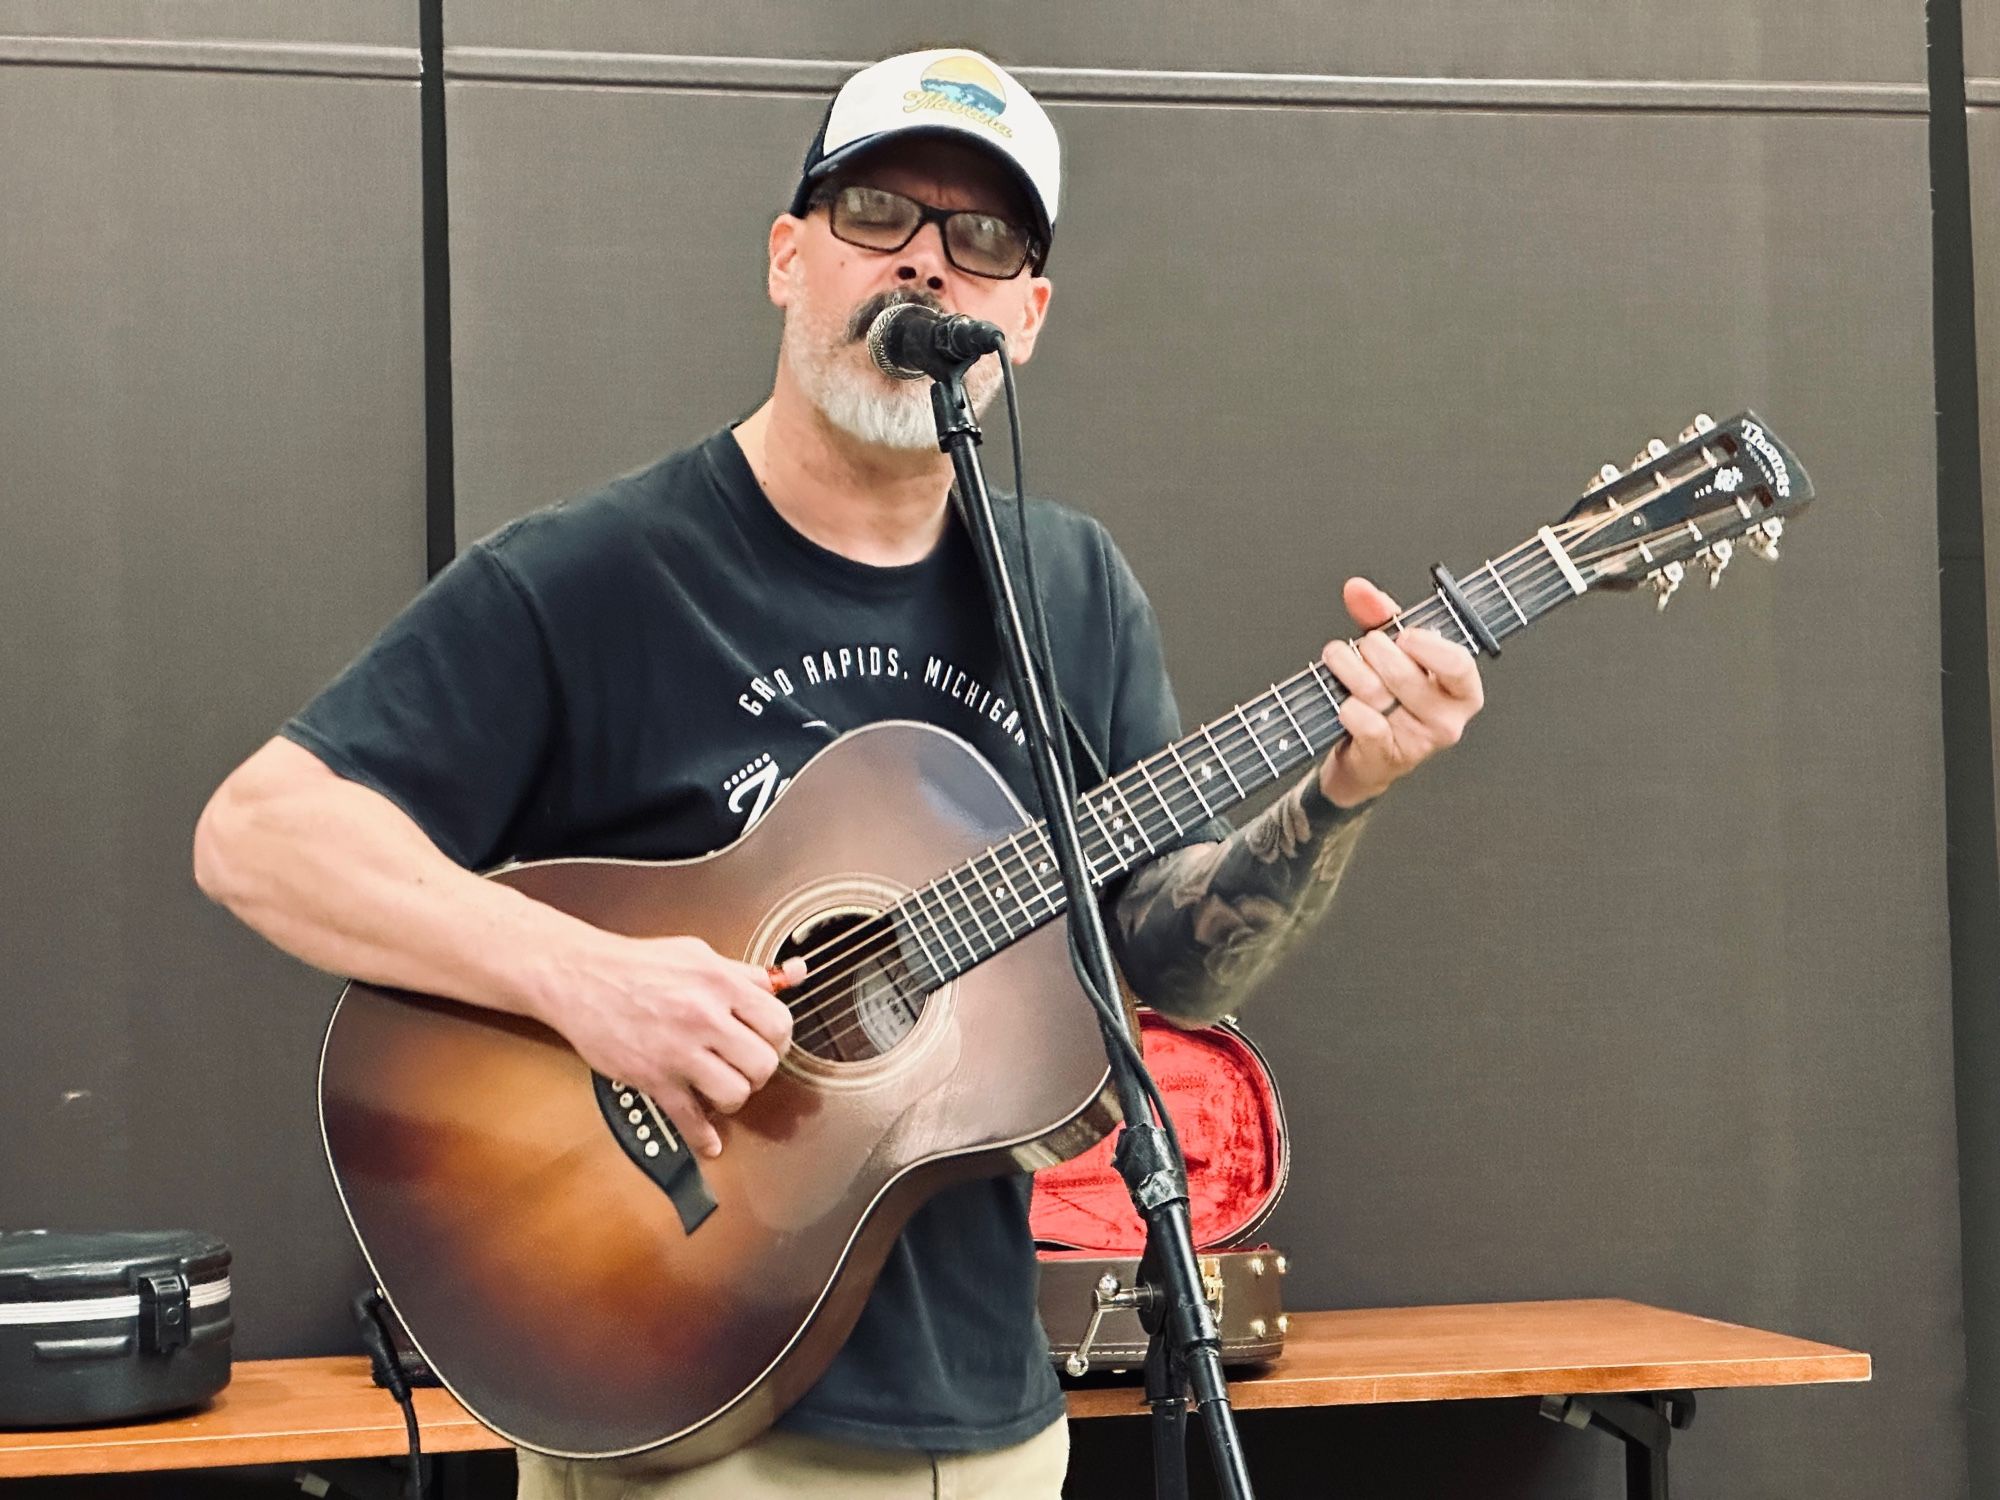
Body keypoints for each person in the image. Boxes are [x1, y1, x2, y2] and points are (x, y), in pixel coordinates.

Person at [192, 47, 1484, 1500]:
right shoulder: (596, 575)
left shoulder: (1069, 585)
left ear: (1028, 318)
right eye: (879, 212)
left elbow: (1162, 968)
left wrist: (1338, 791)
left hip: (995, 1423)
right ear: (786, 256)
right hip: (674, 1399)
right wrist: (592, 983)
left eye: (986, 241)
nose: (930, 265)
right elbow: (262, 838)